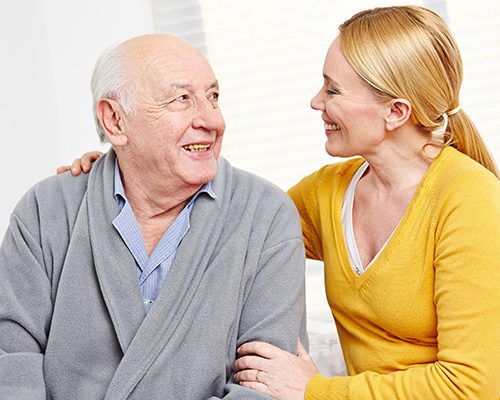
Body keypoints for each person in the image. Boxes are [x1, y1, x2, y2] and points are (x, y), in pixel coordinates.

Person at [62, 5, 500, 399]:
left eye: (333, 91)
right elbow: (231, 219)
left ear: (396, 112)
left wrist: (317, 391)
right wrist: (129, 163)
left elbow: (473, 385)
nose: (316, 102)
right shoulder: (328, 192)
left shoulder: (470, 201)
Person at [0, 34, 307, 399]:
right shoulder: (47, 209)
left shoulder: (266, 214)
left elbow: (264, 385)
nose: (211, 120)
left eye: (213, 97)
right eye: (182, 99)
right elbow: (11, 353)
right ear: (114, 120)